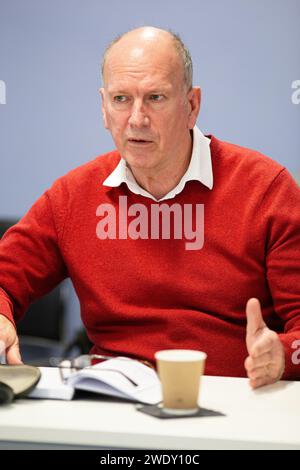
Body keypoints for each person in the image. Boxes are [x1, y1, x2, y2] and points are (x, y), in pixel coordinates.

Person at [0, 27, 299, 389]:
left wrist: (282, 354)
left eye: (155, 97)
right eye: (121, 99)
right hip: (112, 403)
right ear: (104, 108)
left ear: (191, 106)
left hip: (236, 402)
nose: (137, 119)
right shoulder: (72, 197)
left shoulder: (266, 189)